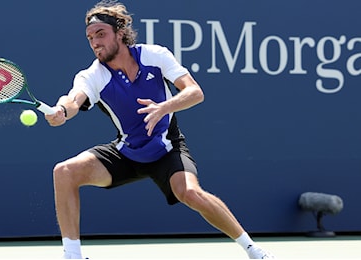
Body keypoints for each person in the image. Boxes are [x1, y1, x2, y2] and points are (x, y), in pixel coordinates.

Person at [45, 0, 275, 259]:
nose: (95, 42)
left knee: (190, 193)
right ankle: (72, 256)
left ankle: (253, 249)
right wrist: (62, 110)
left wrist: (164, 107)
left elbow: (194, 92)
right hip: (127, 153)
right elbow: (74, 98)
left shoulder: (154, 55)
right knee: (64, 172)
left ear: (120, 32)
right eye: (90, 38)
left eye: (101, 34)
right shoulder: (93, 75)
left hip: (166, 147)